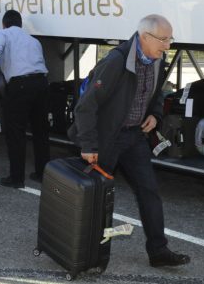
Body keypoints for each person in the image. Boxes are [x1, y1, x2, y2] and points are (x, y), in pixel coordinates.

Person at [73, 14, 191, 267]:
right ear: (144, 37)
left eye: (170, 39)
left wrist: (155, 115)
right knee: (97, 197)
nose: (168, 45)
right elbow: (86, 106)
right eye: (164, 40)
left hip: (135, 137)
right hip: (107, 139)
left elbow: (158, 93)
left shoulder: (158, 59)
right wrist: (89, 145)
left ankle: (158, 251)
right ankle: (88, 253)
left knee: (149, 191)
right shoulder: (116, 62)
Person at [0, 9, 50, 188]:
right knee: (41, 131)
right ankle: (41, 173)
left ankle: (16, 178)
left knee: (15, 132)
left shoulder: (3, 33)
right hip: (41, 83)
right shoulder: (33, 40)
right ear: (21, 24)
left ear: (4, 23)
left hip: (20, 85)